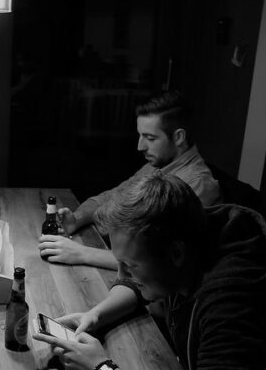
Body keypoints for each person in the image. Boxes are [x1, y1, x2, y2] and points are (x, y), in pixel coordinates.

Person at [33, 173, 266, 370]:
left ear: (175, 253)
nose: (121, 274)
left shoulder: (235, 303)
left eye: (131, 265)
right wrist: (96, 315)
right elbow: (137, 282)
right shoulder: (191, 232)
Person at [39, 90, 220, 270]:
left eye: (150, 138)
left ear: (179, 137)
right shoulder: (159, 164)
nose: (140, 146)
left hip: (131, 277)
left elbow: (161, 262)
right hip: (101, 246)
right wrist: (76, 220)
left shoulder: (197, 184)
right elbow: (110, 196)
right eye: (140, 135)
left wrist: (82, 253)